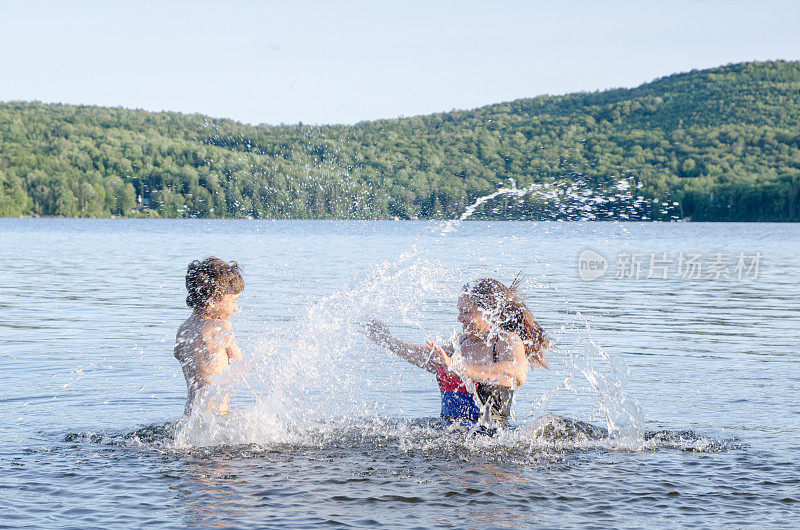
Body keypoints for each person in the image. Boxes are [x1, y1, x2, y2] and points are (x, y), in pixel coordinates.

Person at [363, 278, 549, 428]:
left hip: (492, 445)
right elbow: (429, 359)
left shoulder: (506, 340)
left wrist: (460, 368)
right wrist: (389, 342)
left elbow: (517, 372)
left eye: (467, 312)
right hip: (450, 437)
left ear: (490, 312)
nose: (459, 318)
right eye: (459, 311)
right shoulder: (462, 343)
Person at [174, 257, 245, 415]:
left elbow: (178, 354)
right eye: (233, 301)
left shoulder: (183, 329)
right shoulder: (221, 327)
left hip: (190, 411)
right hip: (217, 410)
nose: (236, 308)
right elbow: (239, 363)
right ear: (212, 302)